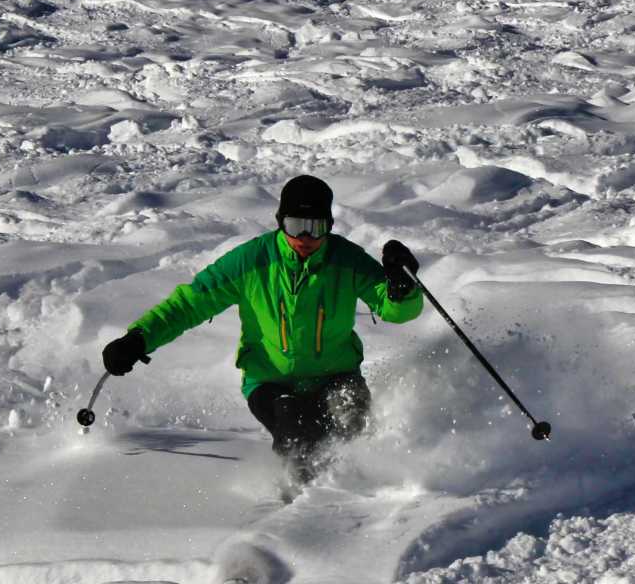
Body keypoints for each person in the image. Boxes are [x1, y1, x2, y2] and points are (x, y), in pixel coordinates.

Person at [102, 174, 424, 489]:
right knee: (297, 432)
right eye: (296, 225)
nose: (306, 238)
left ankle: (368, 503)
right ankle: (303, 509)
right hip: (270, 383)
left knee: (355, 426)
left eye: (317, 227)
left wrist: (401, 287)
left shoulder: (347, 260)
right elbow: (190, 303)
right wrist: (139, 338)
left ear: (329, 226)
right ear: (280, 221)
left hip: (336, 376)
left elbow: (396, 310)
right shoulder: (251, 261)